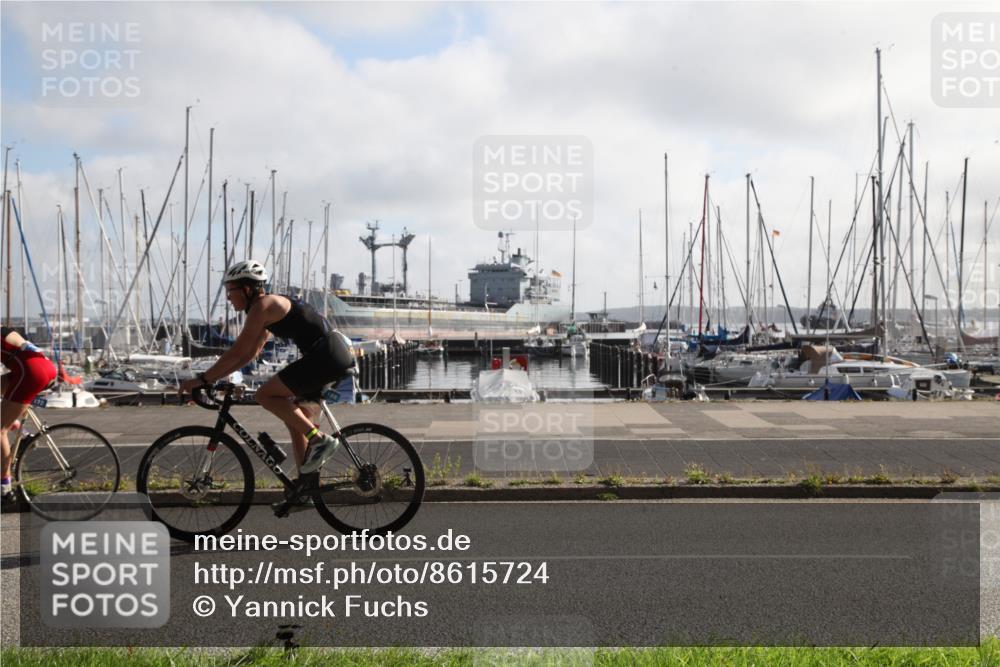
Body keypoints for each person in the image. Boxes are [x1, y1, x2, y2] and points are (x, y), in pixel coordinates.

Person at [178, 260, 355, 512]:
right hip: (330, 354)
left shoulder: (263, 306)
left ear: (248, 289)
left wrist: (203, 379)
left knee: (265, 395)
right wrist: (216, 378)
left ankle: (320, 441)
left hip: (325, 356)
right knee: (295, 417)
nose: (228, 297)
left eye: (231, 290)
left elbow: (238, 349)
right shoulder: (267, 309)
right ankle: (304, 488)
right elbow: (248, 354)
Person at [1, 326, 58, 506]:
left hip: (31, 372)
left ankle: (5, 490)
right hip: (44, 368)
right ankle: (24, 434)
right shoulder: (5, 330)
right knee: (9, 406)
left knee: (0, 430)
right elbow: (23, 346)